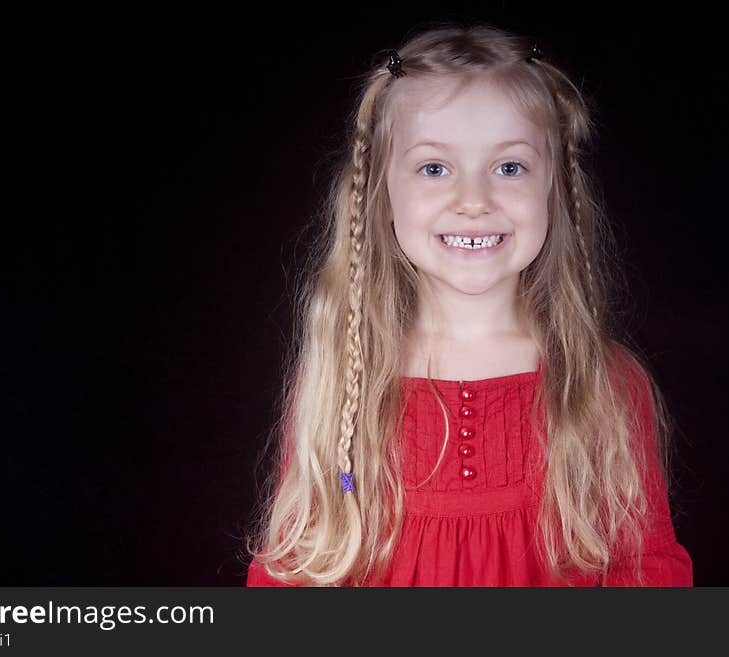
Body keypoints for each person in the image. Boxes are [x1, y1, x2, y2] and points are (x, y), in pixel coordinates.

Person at [244, 21, 693, 586]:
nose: (474, 201)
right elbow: (294, 568)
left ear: (553, 187)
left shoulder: (604, 385)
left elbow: (645, 571)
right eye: (435, 168)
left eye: (509, 167)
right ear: (381, 195)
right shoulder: (344, 383)